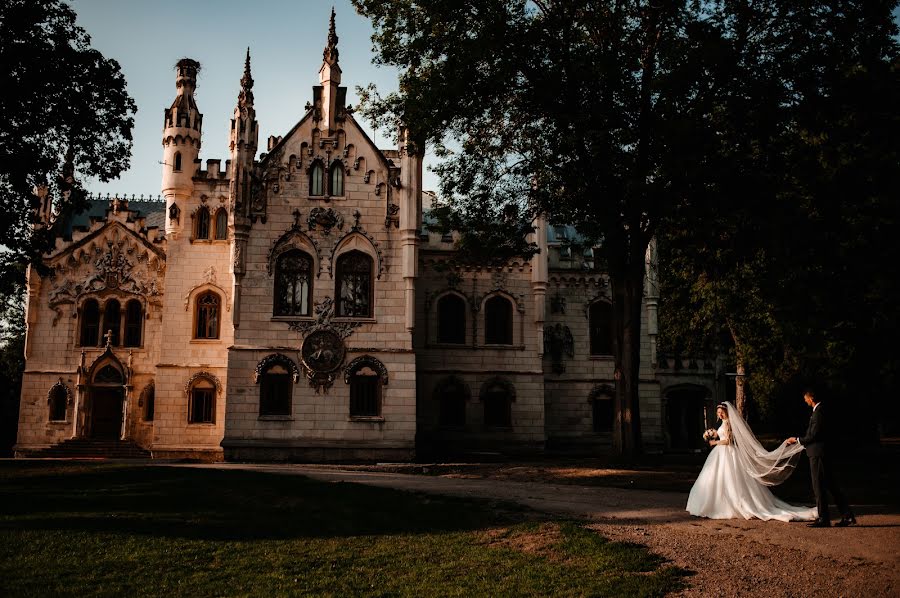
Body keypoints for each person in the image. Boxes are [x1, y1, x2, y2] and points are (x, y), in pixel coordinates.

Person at [687, 402, 816, 522]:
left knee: (731, 478)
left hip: (728, 452)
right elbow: (724, 436)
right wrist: (714, 434)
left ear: (727, 412)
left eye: (722, 412)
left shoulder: (728, 423)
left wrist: (715, 442)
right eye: (718, 412)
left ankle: (729, 504)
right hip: (721, 453)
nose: (720, 414)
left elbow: (729, 441)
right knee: (717, 478)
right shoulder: (724, 423)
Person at [786, 389, 856, 528]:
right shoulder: (821, 411)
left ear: (811, 398)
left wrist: (797, 440)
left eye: (806, 398)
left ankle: (824, 518)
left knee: (818, 486)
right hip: (821, 453)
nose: (805, 401)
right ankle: (847, 515)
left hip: (818, 454)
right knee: (831, 485)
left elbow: (813, 435)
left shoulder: (819, 413)